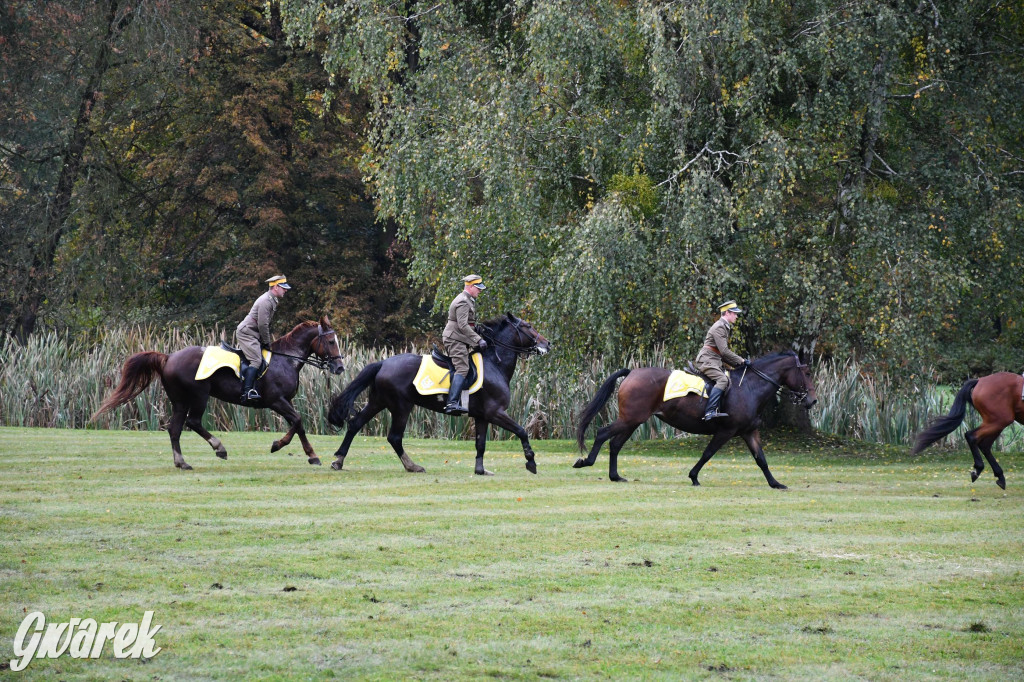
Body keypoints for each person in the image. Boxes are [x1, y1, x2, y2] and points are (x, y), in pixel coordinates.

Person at [235, 275, 291, 402]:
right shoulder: (266, 301)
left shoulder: (272, 299)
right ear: (276, 287)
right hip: (247, 333)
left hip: (253, 333)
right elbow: (262, 325)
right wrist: (266, 342)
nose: (285, 290)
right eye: (283, 288)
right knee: (256, 361)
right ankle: (247, 392)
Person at [695, 299, 750, 420]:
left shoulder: (724, 326)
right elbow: (724, 351)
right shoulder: (719, 327)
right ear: (727, 313)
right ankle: (709, 411)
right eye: (734, 313)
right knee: (722, 380)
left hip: (713, 359)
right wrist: (741, 360)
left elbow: (722, 354)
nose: (736, 316)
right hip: (707, 360)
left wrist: (739, 365)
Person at [441, 274, 488, 415]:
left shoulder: (469, 300)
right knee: (462, 368)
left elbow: (468, 323)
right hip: (454, 339)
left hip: (460, 337)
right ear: (471, 286)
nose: (480, 291)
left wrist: (478, 331)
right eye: (478, 288)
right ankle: (452, 403)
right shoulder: (463, 301)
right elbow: (462, 325)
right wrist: (478, 339)